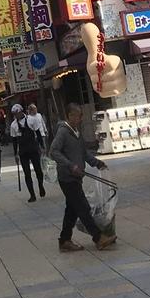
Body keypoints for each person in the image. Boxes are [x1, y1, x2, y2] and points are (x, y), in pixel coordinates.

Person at [49, 102, 116, 252]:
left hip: (77, 177)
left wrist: (97, 163)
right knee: (83, 207)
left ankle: (64, 240)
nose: (80, 119)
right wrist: (70, 165)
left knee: (72, 210)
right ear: (70, 116)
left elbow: (84, 153)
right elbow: (53, 151)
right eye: (78, 116)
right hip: (67, 177)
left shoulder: (76, 132)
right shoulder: (63, 132)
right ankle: (98, 238)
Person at [8, 104, 46, 201]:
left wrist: (42, 146)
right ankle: (32, 195)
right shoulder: (13, 125)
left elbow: (38, 133)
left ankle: (41, 185)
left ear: (21, 111)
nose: (16, 115)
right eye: (14, 114)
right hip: (23, 151)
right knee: (27, 173)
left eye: (17, 113)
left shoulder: (31, 120)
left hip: (33, 147)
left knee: (38, 170)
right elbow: (14, 141)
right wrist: (15, 154)